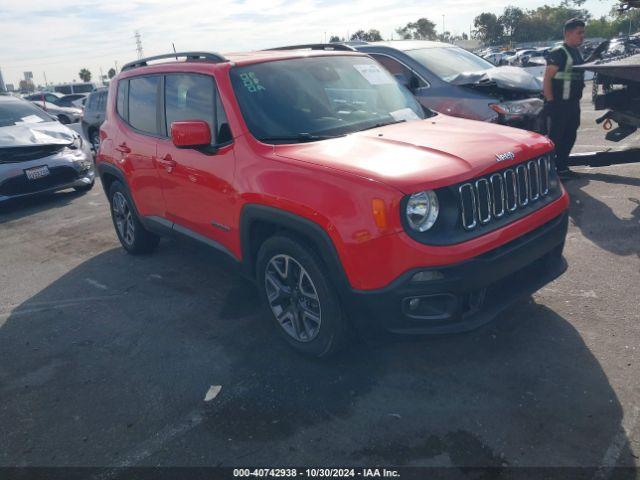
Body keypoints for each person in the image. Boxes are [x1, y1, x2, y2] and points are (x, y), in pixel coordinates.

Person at [543, 18, 608, 179]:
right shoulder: (559, 52)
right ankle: (549, 173)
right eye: (579, 33)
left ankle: (562, 168)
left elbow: (579, 69)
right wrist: (550, 102)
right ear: (568, 33)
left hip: (572, 104)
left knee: (570, 136)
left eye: (583, 33)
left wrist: (596, 55)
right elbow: (547, 79)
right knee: (556, 138)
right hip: (558, 104)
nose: (582, 36)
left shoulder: (575, 52)